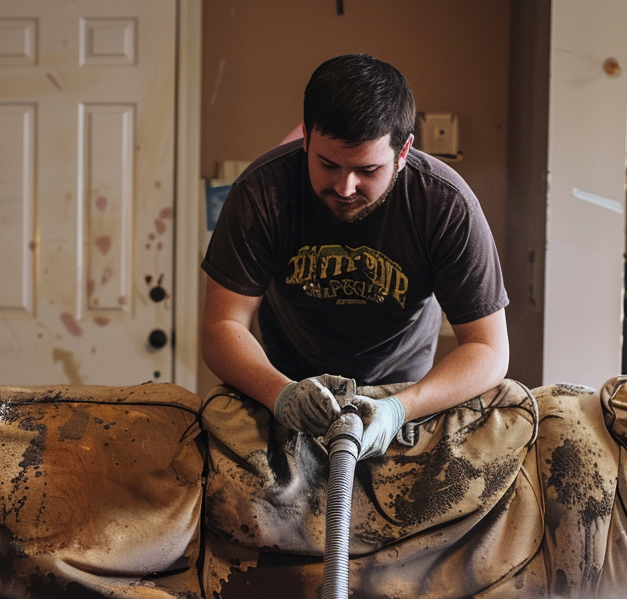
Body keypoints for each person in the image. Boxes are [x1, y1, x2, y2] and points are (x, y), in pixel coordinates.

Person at [200, 53, 510, 458]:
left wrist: (399, 409)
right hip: (287, 384)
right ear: (307, 138)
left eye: (367, 170)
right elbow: (223, 324)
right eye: (328, 164)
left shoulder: (445, 204)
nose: (345, 187)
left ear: (403, 153)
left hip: (404, 391)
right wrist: (282, 395)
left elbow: (489, 349)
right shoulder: (261, 193)